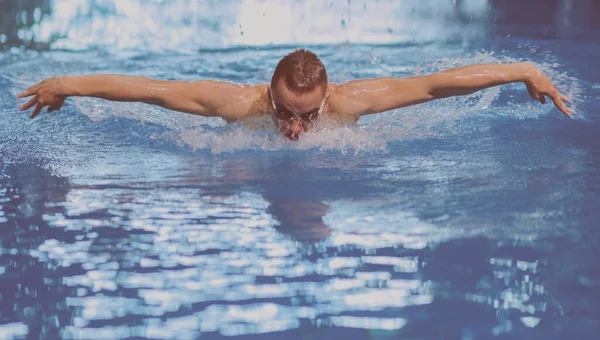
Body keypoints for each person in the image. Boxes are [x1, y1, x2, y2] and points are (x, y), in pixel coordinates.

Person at [17, 49, 571, 141]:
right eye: (285, 112)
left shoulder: (353, 101)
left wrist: (522, 69)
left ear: (327, 96)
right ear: (270, 93)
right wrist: (67, 84)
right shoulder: (241, 104)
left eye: (309, 115)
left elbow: (433, 84)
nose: (295, 129)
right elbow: (152, 91)